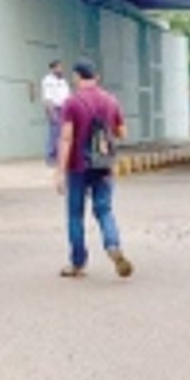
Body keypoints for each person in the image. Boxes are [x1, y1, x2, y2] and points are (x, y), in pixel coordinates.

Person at [55, 59, 133, 279]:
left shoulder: (72, 102)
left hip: (78, 166)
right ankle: (112, 245)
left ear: (77, 77)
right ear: (96, 77)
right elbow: (122, 133)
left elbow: (66, 138)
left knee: (75, 214)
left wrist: (59, 171)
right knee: (104, 210)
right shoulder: (110, 100)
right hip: (104, 165)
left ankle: (77, 263)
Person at [41, 60, 70, 165]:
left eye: (61, 67)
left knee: (62, 133)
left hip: (64, 108)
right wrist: (51, 112)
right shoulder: (48, 80)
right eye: (58, 67)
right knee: (54, 133)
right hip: (54, 108)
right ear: (52, 69)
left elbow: (67, 97)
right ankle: (50, 157)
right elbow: (48, 97)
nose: (61, 69)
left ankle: (59, 157)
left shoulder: (63, 81)